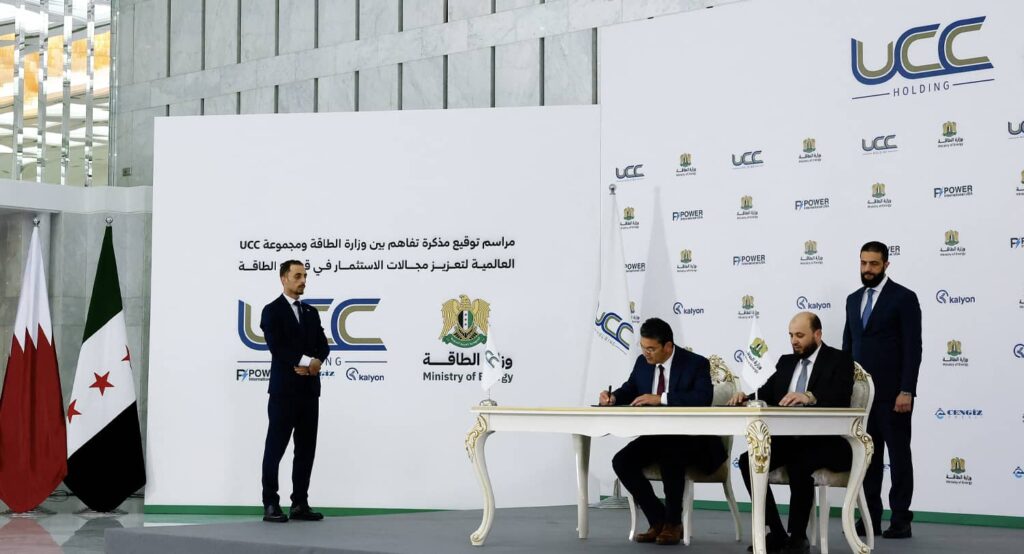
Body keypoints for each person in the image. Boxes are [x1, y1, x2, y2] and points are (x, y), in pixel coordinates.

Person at [728, 312, 854, 554]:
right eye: (791, 335)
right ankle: (775, 532)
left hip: (827, 442)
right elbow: (767, 393)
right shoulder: (786, 362)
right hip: (790, 441)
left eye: (800, 335)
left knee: (799, 463)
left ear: (817, 335)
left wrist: (809, 396)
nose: (794, 341)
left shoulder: (839, 359)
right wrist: (745, 398)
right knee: (748, 461)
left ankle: (798, 537)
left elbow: (840, 396)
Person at [598, 318, 726, 546]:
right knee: (622, 461)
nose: (646, 353)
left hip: (694, 439)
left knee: (671, 452)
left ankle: (674, 523)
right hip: (656, 437)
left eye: (651, 349)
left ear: (668, 346)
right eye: (643, 347)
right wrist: (613, 397)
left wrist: (661, 399)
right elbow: (631, 388)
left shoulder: (695, 364)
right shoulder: (642, 363)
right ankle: (658, 520)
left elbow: (702, 398)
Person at [842, 241, 921, 539]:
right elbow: (848, 347)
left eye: (874, 264)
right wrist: (845, 390)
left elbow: (913, 348)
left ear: (886, 264)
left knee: (899, 458)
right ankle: (869, 517)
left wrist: (907, 390)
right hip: (862, 398)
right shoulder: (852, 300)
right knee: (867, 458)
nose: (868, 269)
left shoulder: (904, 298)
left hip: (894, 395)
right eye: (863, 263)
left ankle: (901, 518)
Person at [260, 260, 330, 523]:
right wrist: (306, 361)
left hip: (309, 391)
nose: (303, 281)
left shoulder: (311, 312)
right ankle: (270, 503)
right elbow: (277, 347)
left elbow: (323, 344)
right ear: (284, 278)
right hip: (284, 393)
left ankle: (300, 503)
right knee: (275, 448)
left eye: (305, 276)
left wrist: (315, 363)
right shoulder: (272, 311)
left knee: (305, 449)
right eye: (298, 276)